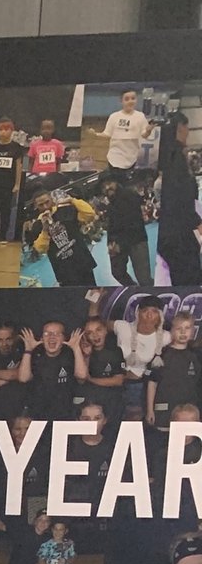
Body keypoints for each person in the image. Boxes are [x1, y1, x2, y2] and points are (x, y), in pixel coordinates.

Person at [156, 113, 201, 284]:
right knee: (189, 277)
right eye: (187, 127)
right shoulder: (176, 158)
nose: (188, 132)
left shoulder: (168, 156)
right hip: (178, 236)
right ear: (180, 127)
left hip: (172, 234)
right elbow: (180, 197)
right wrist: (196, 221)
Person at [19, 321, 87, 421]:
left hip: (64, 415)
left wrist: (76, 348)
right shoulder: (35, 355)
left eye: (57, 334)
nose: (52, 337)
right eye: (47, 334)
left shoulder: (69, 356)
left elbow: (82, 375)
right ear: (42, 338)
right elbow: (23, 378)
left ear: (64, 338)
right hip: (37, 416)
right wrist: (28, 350)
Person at [147, 311, 202, 431]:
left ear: (193, 331)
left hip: (189, 412)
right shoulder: (161, 355)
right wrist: (150, 410)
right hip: (165, 412)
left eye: (187, 328)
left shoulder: (196, 356)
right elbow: (152, 384)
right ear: (171, 331)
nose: (183, 332)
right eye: (179, 328)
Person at [100, 171, 152, 286]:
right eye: (103, 187)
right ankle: (133, 289)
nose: (107, 187)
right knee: (117, 272)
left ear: (115, 182)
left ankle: (149, 295)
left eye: (109, 183)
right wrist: (110, 244)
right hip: (118, 243)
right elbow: (112, 226)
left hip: (136, 240)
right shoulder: (111, 203)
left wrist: (120, 244)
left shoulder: (129, 195)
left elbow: (134, 225)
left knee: (144, 278)